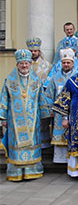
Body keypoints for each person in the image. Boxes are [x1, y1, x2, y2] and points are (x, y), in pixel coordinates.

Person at [0, 49, 50, 181]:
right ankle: (16, 172)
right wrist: (3, 118)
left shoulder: (36, 80)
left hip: (33, 119)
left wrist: (45, 113)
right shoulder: (9, 81)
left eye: (26, 63)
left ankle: (32, 170)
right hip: (14, 120)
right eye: (21, 63)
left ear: (30, 64)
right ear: (17, 64)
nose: (24, 66)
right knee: (17, 144)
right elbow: (4, 99)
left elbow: (41, 98)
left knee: (32, 144)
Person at [45, 49, 78, 163]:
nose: (66, 65)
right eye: (64, 62)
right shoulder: (55, 77)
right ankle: (61, 160)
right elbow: (49, 94)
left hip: (74, 111)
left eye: (68, 62)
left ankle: (72, 161)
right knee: (60, 134)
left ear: (73, 63)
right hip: (58, 114)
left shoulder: (77, 76)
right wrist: (50, 108)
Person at [27, 37, 52, 148]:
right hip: (28, 97)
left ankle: (44, 144)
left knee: (43, 121)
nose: (33, 53)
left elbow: (50, 81)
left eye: (35, 51)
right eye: (31, 51)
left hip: (42, 96)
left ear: (39, 51)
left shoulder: (47, 65)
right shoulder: (24, 64)